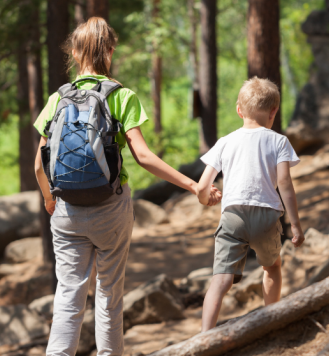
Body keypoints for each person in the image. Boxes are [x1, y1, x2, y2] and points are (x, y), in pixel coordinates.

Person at [33, 17, 220, 356]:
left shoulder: (56, 99)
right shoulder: (121, 96)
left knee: (68, 297)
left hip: (66, 214)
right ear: (111, 51)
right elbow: (144, 157)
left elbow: (38, 163)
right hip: (110, 211)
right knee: (108, 297)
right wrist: (193, 186)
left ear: (75, 53)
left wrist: (50, 200)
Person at [196, 77, 305, 332]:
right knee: (272, 267)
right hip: (268, 216)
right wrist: (297, 226)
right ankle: (271, 322)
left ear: (238, 109)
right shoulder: (279, 141)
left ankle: (204, 337)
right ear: (274, 111)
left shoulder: (225, 141)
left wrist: (206, 198)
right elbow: (285, 184)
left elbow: (202, 187)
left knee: (220, 281)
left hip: (233, 215)